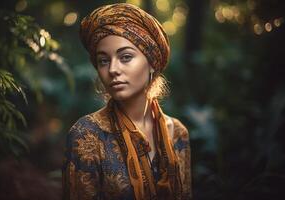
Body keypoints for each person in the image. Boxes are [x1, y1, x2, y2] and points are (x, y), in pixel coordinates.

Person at [62, 3, 191, 200]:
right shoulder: (86, 134)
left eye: (126, 57)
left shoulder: (178, 134)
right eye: (103, 60)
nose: (112, 69)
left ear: (152, 64)